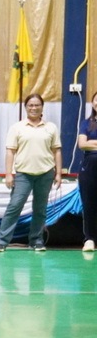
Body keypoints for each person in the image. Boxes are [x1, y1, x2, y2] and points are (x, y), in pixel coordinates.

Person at [0, 93, 62, 252]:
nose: (34, 108)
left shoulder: (51, 127)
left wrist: (58, 173)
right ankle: (1, 242)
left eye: (37, 105)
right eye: (30, 105)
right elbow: (10, 151)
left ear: (42, 107)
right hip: (23, 174)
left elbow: (56, 151)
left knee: (40, 209)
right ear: (26, 107)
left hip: (45, 173)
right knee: (14, 207)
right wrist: (8, 174)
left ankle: (36, 241)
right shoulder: (17, 128)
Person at [77, 90, 97, 252]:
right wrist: (88, 143)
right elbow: (82, 144)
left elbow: (88, 143)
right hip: (89, 168)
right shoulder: (86, 123)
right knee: (89, 203)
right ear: (93, 103)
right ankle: (90, 239)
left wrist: (92, 142)